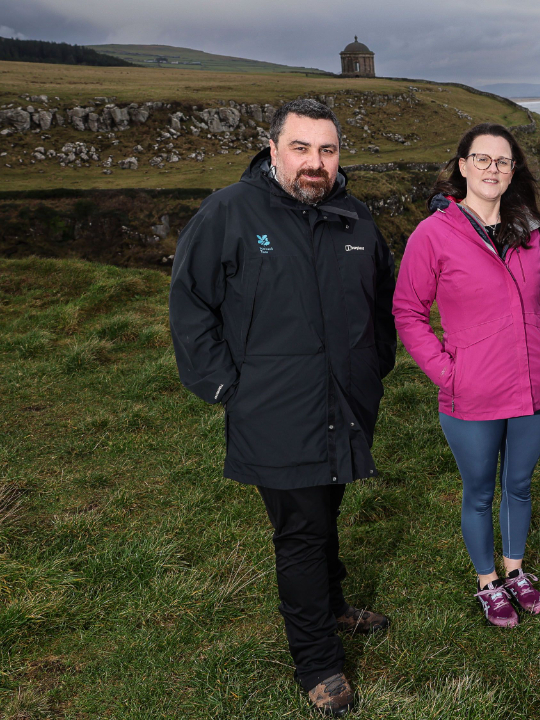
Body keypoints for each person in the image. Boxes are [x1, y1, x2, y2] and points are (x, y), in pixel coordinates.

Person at [169, 98, 396, 716]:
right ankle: (318, 663)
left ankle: (333, 606)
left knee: (326, 510)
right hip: (274, 410)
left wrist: (374, 366)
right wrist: (223, 386)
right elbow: (190, 303)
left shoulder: (354, 217)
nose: (315, 164)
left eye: (327, 150)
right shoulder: (230, 213)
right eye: (301, 149)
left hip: (345, 403)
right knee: (299, 532)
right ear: (273, 150)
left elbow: (380, 299)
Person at [394, 123, 540, 628]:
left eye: (503, 161)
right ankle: (488, 581)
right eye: (483, 159)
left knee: (519, 484)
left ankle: (516, 572)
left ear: (513, 172)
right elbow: (408, 311)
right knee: (480, 492)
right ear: (463, 166)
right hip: (470, 391)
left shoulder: (528, 231)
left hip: (533, 385)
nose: (494, 169)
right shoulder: (434, 234)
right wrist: (448, 374)